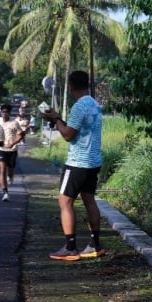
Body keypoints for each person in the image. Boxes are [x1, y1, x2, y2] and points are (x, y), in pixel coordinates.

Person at [41, 70, 104, 261]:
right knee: (89, 201)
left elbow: (68, 135)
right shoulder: (94, 104)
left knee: (65, 201)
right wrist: (59, 119)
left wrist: (56, 120)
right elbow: (78, 130)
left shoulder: (78, 106)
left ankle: (70, 247)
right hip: (93, 162)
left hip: (77, 162)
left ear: (71, 86)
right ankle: (95, 244)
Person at [0, 103, 25, 201]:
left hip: (12, 150)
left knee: (10, 171)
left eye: (6, 112)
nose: (4, 114)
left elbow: (21, 135)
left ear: (9, 113)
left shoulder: (14, 123)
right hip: (1, 150)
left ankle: (10, 176)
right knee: (2, 170)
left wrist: (13, 143)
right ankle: (5, 193)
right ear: (1, 112)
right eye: (3, 112)